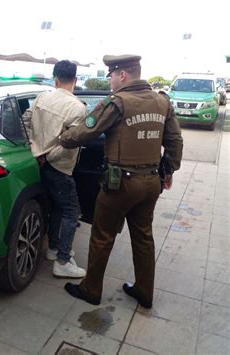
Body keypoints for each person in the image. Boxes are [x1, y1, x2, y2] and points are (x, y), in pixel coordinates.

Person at [58, 54, 183, 308]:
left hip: (120, 185)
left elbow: (86, 131)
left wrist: (62, 138)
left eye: (112, 76)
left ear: (122, 75)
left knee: (102, 237)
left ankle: (91, 290)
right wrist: (168, 171)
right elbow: (175, 141)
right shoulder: (162, 102)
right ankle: (144, 292)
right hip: (150, 183)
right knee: (144, 237)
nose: (111, 82)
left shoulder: (117, 102)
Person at [22, 60, 87, 278]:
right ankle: (63, 260)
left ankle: (53, 248)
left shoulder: (42, 97)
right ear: (75, 80)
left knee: (58, 207)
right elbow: (69, 144)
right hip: (58, 167)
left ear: (55, 79)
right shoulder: (78, 108)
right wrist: (49, 158)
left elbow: (26, 120)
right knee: (71, 211)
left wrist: (36, 150)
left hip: (37, 162)